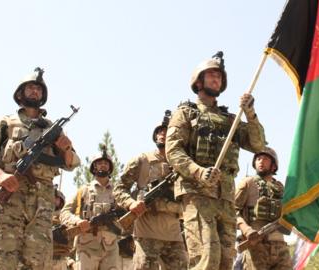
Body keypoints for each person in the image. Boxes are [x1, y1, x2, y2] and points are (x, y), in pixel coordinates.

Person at [166, 51, 266, 269]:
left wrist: (250, 113)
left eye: (219, 77)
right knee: (206, 258)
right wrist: (198, 171)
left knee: (225, 262)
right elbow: (173, 151)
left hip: (227, 197)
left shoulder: (231, 119)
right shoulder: (185, 113)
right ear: (199, 81)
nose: (216, 79)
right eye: (211, 75)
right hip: (198, 193)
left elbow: (258, 144)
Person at [0, 67, 80, 270]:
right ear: (20, 93)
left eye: (39, 89)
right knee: (3, 259)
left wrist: (65, 148)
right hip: (10, 203)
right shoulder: (4, 123)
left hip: (42, 208)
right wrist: (0, 174)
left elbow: (72, 163)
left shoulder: (53, 129)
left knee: (38, 263)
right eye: (30, 88)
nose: (35, 92)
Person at [113, 110, 187, 270]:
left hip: (174, 234)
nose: (162, 134)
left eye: (166, 132)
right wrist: (131, 203)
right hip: (146, 234)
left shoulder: (181, 164)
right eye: (159, 132)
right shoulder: (142, 160)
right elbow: (119, 188)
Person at [60, 150, 120, 270]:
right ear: (94, 167)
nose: (103, 165)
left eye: (106, 163)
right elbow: (64, 213)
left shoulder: (118, 191)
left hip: (111, 247)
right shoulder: (83, 191)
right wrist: (77, 222)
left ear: (110, 167)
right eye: (99, 163)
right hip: (87, 246)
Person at [235, 147, 292, 270]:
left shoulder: (281, 188)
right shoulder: (248, 183)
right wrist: (247, 230)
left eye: (265, 159)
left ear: (273, 165)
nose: (261, 161)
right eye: (258, 159)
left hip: (280, 245)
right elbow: (232, 212)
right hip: (256, 245)